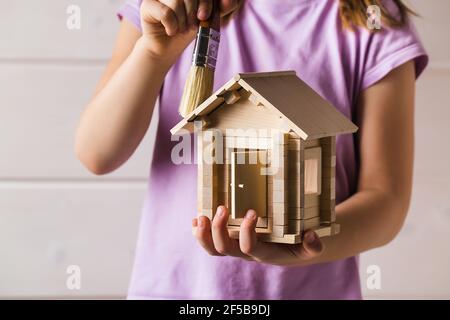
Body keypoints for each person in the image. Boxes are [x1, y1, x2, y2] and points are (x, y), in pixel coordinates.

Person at [75, 0, 428, 299]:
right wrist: (153, 53)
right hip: (176, 291)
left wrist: (299, 244)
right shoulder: (168, 7)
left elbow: (385, 201)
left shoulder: (373, 18)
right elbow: (97, 152)